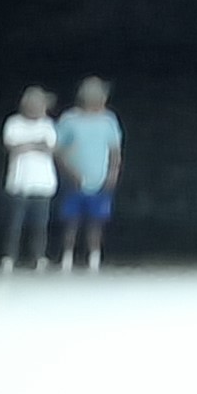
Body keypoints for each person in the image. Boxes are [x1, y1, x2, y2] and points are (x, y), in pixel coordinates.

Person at [54, 77, 124, 269]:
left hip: (100, 177)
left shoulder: (109, 120)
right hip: (74, 179)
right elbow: (58, 150)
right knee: (71, 220)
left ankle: (94, 258)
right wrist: (69, 172)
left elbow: (115, 150)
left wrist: (113, 173)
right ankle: (67, 257)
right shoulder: (69, 119)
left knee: (97, 221)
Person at [0, 86, 60, 269]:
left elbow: (50, 148)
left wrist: (27, 145)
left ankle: (38, 256)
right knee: (15, 223)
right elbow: (12, 147)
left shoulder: (48, 124)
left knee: (40, 224)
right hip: (19, 182)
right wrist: (36, 144)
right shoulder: (14, 123)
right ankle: (10, 256)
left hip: (43, 182)